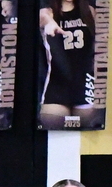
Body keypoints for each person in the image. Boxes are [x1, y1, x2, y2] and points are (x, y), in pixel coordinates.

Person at [39, 0, 99, 128]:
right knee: (53, 123)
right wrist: (49, 23)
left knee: (88, 126)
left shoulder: (90, 10)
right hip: (57, 83)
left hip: (86, 82)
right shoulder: (48, 10)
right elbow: (42, 16)